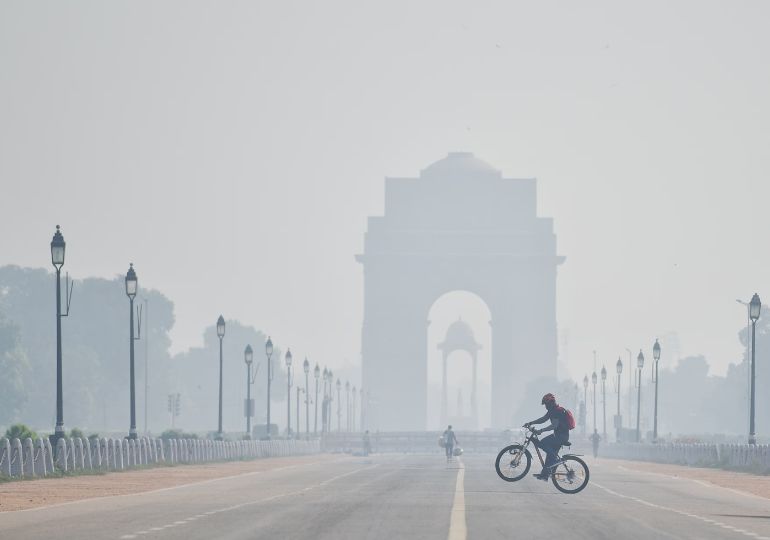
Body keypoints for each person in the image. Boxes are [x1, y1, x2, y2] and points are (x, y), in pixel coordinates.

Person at [524, 393, 570, 481]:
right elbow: (543, 419)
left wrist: (541, 430)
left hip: (561, 437)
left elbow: (554, 426)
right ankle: (545, 474)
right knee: (550, 454)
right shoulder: (552, 411)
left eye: (546, 404)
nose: (545, 406)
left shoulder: (557, 411)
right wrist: (531, 423)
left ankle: (556, 460)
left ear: (551, 403)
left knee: (542, 443)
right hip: (558, 436)